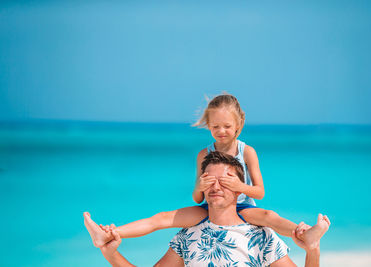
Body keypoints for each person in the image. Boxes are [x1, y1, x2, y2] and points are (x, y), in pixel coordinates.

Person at [84, 93, 322, 248]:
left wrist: (239, 188)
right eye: (215, 126)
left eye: (227, 126)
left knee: (270, 217)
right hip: (209, 208)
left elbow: (259, 192)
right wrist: (200, 187)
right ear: (208, 126)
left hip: (244, 208)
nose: (221, 131)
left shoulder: (247, 151)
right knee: (162, 218)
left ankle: (305, 234)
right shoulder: (203, 154)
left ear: (239, 124)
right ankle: (111, 233)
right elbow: (197, 197)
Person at [87, 151, 330, 266]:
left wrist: (313, 250)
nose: (216, 186)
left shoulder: (262, 236)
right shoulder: (187, 236)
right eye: (208, 180)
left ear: (238, 189)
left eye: (224, 181)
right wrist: (110, 254)